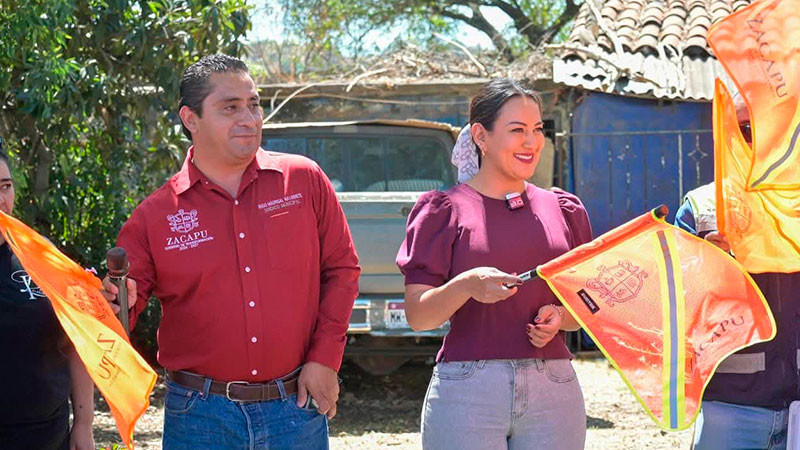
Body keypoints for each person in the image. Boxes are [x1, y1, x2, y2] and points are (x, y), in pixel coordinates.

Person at [101, 54, 360, 449]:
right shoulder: (156, 215)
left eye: (254, 105)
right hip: (200, 418)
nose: (250, 118)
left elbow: (342, 269)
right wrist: (116, 301)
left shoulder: (303, 180)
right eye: (230, 107)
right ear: (191, 119)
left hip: (297, 408)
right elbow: (121, 311)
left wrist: (325, 359)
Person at [396, 78, 592, 450]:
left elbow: (586, 308)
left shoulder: (564, 209)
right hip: (468, 389)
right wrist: (466, 285)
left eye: (537, 130)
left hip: (554, 387)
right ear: (480, 136)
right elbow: (419, 316)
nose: (531, 142)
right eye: (517, 130)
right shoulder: (443, 210)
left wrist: (560, 318)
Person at [675, 92, 799, 450]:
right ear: (726, 130)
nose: (758, 138)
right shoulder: (700, 209)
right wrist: (709, 270)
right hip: (730, 407)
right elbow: (675, 313)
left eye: (772, 127)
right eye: (745, 127)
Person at [0, 146, 95, 450]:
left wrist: (83, 425)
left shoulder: (41, 254)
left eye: (6, 186)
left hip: (48, 436)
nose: (2, 200)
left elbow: (76, 341)